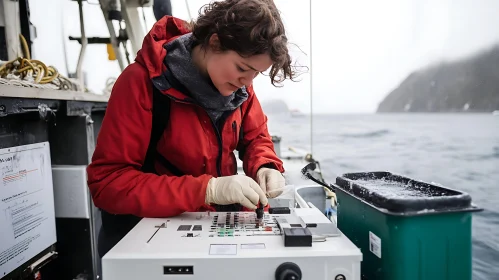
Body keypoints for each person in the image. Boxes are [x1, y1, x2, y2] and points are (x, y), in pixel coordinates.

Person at [86, 0, 297, 257]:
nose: (248, 82)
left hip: (216, 232)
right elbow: (108, 185)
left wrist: (266, 166)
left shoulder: (239, 88)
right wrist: (207, 190)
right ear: (215, 42)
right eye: (243, 68)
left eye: (256, 73)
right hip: (152, 240)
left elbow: (256, 139)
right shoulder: (140, 84)